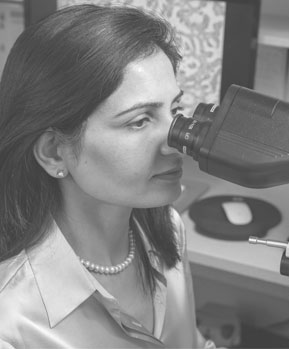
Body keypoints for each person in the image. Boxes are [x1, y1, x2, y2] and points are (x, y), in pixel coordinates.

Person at [0, 4, 215, 348]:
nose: (176, 145)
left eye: (174, 110)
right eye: (139, 121)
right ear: (55, 151)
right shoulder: (11, 324)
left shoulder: (167, 229)